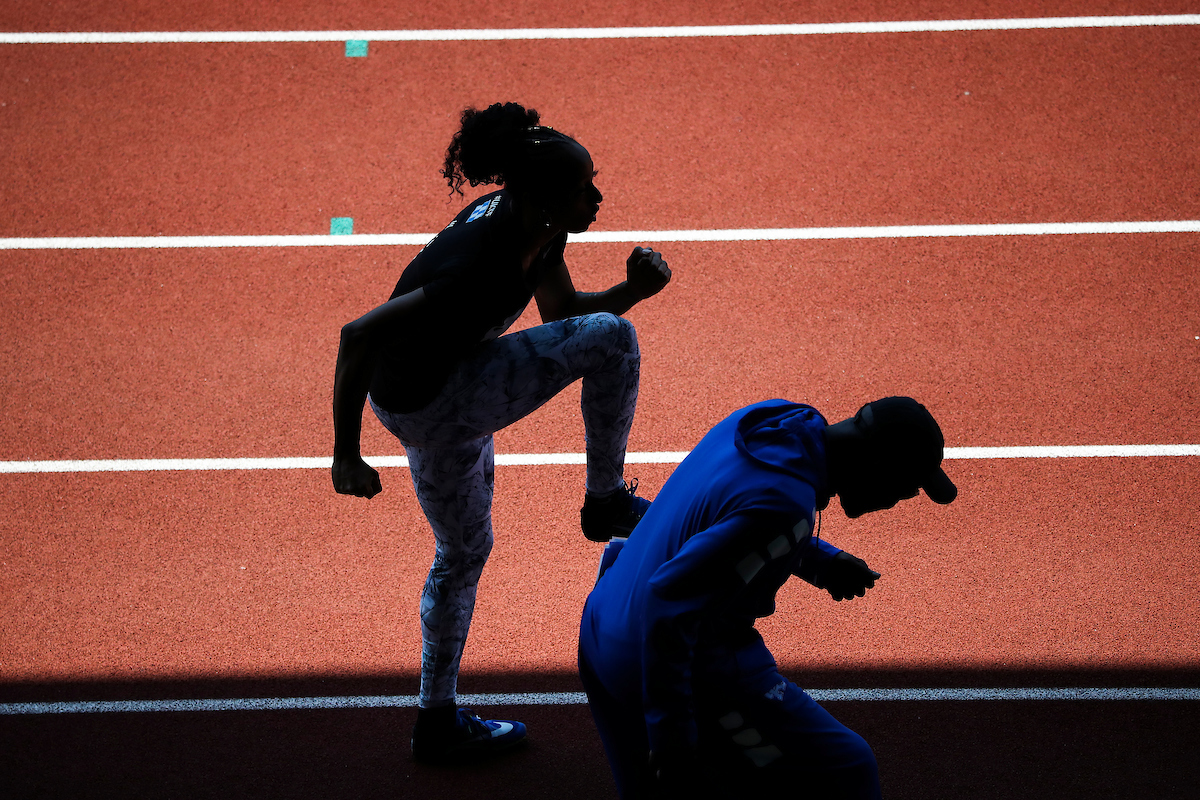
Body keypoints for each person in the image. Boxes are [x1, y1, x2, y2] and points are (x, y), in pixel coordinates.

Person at [331, 102, 672, 763]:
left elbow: (562, 311)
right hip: (433, 401)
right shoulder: (479, 265)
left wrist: (630, 289)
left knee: (462, 555)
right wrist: (345, 455)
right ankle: (604, 500)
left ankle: (435, 721)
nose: (598, 196)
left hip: (442, 393)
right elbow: (359, 334)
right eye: (584, 188)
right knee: (612, 340)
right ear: (547, 198)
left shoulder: (537, 227)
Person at [578, 396, 958, 799]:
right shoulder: (785, 508)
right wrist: (671, 739)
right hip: (650, 661)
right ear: (879, 467)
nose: (892, 504)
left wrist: (822, 560)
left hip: (603, 623)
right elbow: (669, 602)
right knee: (847, 768)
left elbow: (740, 515)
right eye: (902, 491)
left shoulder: (773, 421)